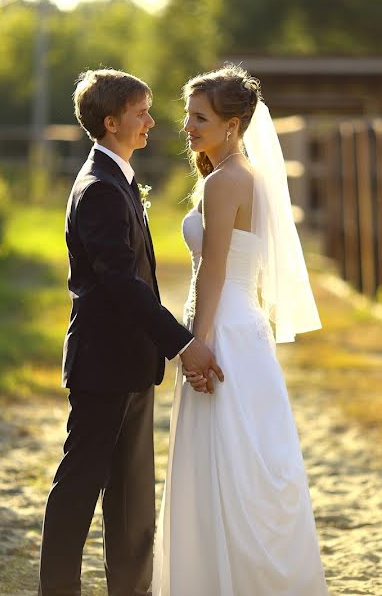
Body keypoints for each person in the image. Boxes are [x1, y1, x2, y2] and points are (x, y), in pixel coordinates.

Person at [38, 68, 223, 596]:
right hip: (104, 364)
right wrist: (183, 343)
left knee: (133, 497)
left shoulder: (115, 178)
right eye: (142, 113)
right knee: (79, 488)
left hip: (132, 363)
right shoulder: (98, 188)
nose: (151, 121)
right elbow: (121, 284)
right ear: (112, 121)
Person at [151, 64, 329, 595]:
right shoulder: (244, 175)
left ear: (232, 124)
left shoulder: (225, 181)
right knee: (244, 458)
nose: (187, 126)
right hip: (241, 324)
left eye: (199, 117)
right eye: (188, 116)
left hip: (222, 326)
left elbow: (214, 268)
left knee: (225, 460)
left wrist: (196, 346)